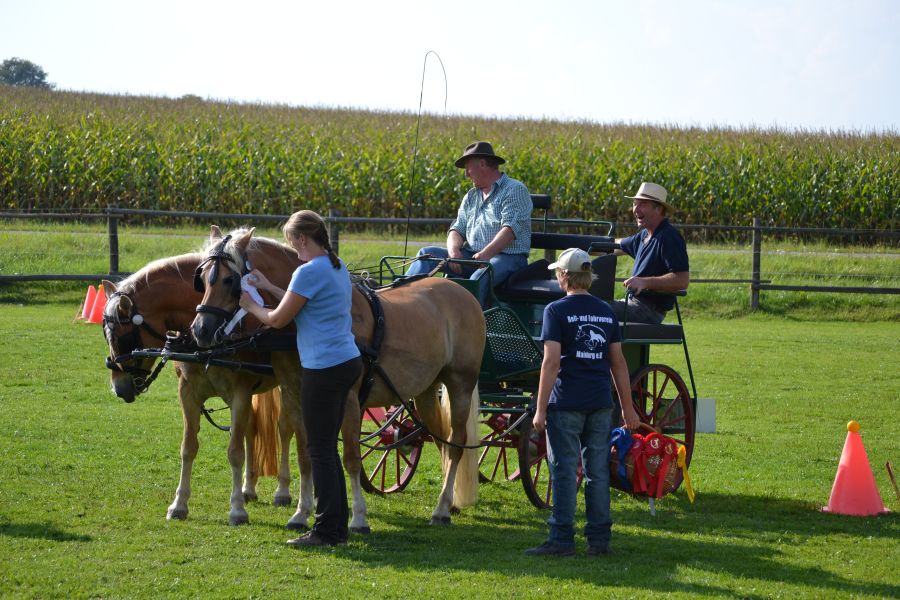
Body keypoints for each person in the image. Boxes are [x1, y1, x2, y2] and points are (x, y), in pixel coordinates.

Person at [239, 210, 362, 547]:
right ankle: (336, 527)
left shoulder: (307, 272)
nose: (293, 250)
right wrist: (268, 286)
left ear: (303, 238)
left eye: (293, 242)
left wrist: (251, 305)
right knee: (327, 449)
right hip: (347, 362)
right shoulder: (336, 266)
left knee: (318, 450)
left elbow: (278, 319)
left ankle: (325, 531)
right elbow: (304, 302)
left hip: (323, 370)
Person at [526, 248, 641, 558]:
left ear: (564, 276)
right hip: (600, 402)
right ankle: (599, 541)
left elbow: (551, 363)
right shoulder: (606, 311)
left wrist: (540, 408)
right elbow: (618, 362)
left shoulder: (555, 311)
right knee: (598, 472)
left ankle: (562, 539)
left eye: (558, 273)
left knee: (564, 471)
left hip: (566, 402)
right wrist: (627, 408)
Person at [404, 140, 532, 307]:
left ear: (482, 164)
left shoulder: (514, 189)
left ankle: (468, 321)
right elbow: (457, 228)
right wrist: (454, 251)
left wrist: (486, 254)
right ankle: (401, 301)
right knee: (426, 254)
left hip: (507, 258)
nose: (466, 174)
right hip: (472, 256)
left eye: (468, 168)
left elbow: (510, 230)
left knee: (479, 277)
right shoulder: (471, 196)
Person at [612, 182, 690, 324]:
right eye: (635, 204)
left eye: (643, 204)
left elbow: (682, 280)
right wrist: (579, 247)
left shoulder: (669, 236)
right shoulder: (644, 236)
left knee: (596, 309)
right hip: (633, 304)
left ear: (659, 209)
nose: (636, 209)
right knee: (594, 305)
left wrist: (644, 282)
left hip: (649, 310)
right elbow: (613, 246)